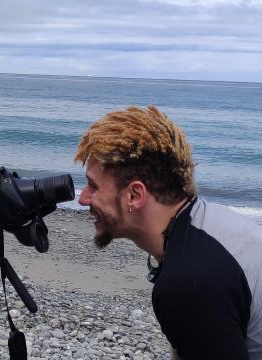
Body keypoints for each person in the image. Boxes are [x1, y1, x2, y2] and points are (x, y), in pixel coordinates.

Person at [74, 105, 262, 359]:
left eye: (93, 186)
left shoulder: (189, 282)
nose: (83, 199)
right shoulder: (208, 223)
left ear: (135, 195)